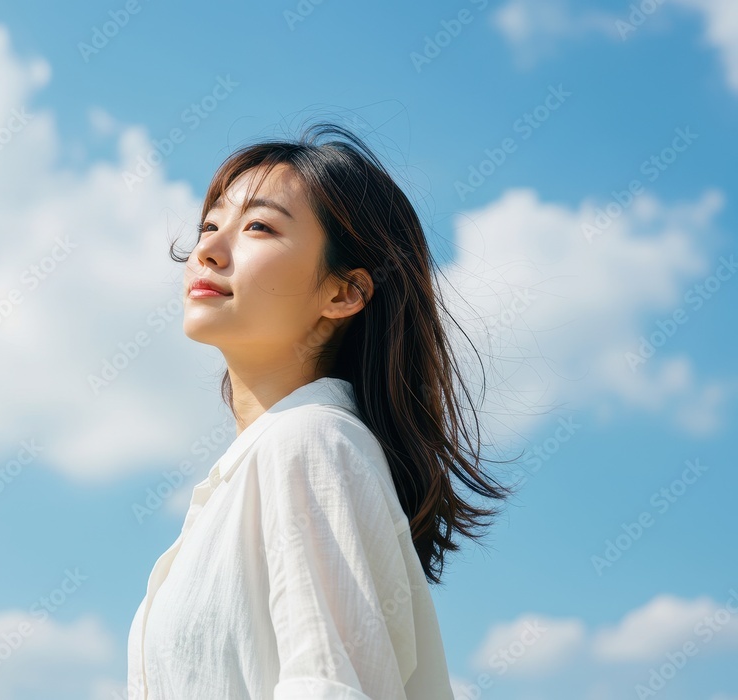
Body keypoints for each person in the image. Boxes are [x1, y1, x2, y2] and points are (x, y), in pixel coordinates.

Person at [126, 122, 512, 699]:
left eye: (258, 226)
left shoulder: (311, 443)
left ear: (344, 292)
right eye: (209, 225)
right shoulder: (260, 468)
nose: (206, 248)